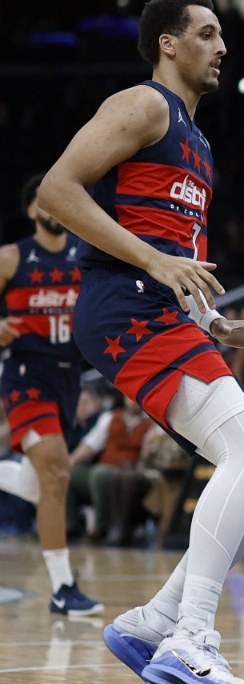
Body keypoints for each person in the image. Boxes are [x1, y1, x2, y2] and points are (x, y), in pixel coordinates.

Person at [38, 0, 244, 684]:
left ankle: (154, 622)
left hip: (159, 312)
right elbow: (56, 192)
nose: (221, 47)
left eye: (223, 37)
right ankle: (190, 637)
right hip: (125, 306)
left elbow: (176, 254)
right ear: (168, 43)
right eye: (208, 34)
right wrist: (153, 262)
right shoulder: (145, 104)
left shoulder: (199, 144)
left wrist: (216, 323)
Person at [0, 172, 101, 615]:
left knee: (42, 482)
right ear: (32, 210)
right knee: (58, 474)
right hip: (26, 376)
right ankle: (63, 589)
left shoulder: (87, 256)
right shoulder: (10, 258)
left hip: (68, 380)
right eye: (43, 201)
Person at [67, 396, 155, 543]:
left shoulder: (153, 423)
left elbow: (150, 456)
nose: (132, 401)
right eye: (128, 397)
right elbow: (90, 444)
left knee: (99, 473)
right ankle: (70, 526)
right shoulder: (110, 417)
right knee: (70, 473)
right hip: (103, 469)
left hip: (129, 473)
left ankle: (100, 528)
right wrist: (70, 461)